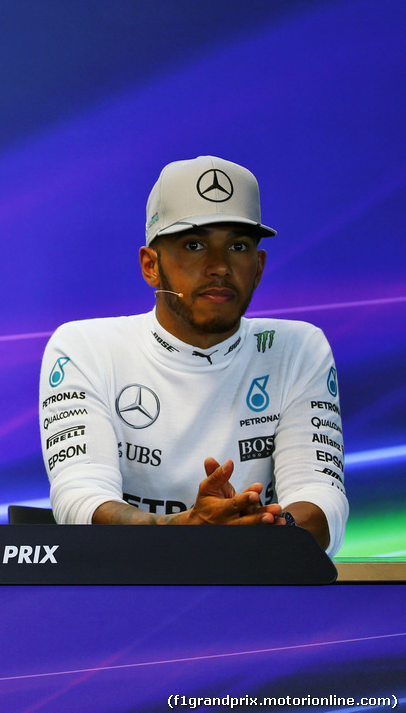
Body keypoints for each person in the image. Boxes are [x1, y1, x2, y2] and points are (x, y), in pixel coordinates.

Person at [39, 155, 347, 555]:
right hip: (125, 596)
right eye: (194, 245)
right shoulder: (87, 347)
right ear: (151, 266)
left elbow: (323, 497)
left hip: (263, 593)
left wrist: (271, 530)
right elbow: (78, 501)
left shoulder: (297, 348)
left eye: (238, 246)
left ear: (258, 267)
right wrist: (191, 531)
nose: (219, 266)